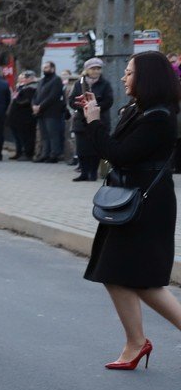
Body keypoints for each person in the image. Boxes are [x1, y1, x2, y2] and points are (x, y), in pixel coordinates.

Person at [78, 51, 181, 369]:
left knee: (143, 280)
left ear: (146, 78)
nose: (123, 77)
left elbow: (119, 154)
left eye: (129, 72)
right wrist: (94, 118)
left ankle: (136, 342)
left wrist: (94, 122)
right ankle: (136, 342)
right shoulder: (139, 111)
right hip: (129, 200)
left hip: (146, 205)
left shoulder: (159, 117)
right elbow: (113, 150)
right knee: (114, 273)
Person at [68, 58, 114, 182]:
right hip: (81, 121)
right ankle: (83, 172)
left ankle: (93, 173)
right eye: (93, 68)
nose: (96, 71)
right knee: (82, 148)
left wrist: (95, 107)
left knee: (95, 149)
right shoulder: (79, 83)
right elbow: (71, 100)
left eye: (98, 68)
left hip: (99, 120)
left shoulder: (105, 84)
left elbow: (109, 101)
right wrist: (82, 106)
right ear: (87, 70)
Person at [33, 60, 65, 162]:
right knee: (44, 135)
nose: (44, 69)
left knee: (53, 134)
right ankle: (44, 154)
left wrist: (40, 106)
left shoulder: (56, 80)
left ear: (52, 68)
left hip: (51, 112)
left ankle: (54, 154)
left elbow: (53, 96)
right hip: (41, 112)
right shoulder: (42, 81)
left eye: (46, 67)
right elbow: (36, 95)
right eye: (43, 67)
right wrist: (33, 105)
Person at [8, 71, 38, 160]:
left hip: (25, 117)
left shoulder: (32, 88)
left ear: (31, 78)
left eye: (25, 78)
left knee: (27, 137)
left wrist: (17, 100)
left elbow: (26, 101)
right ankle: (19, 151)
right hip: (17, 117)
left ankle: (27, 153)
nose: (23, 80)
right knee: (18, 136)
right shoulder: (22, 87)